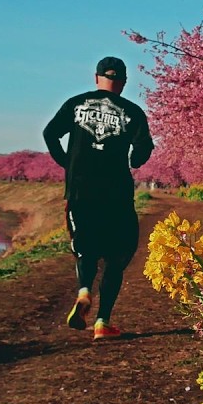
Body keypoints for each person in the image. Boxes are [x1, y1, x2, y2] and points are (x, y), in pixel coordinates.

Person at [43, 56, 154, 340]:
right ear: (124, 83)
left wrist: (67, 163)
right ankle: (103, 322)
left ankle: (83, 291)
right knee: (118, 255)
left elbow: (50, 133)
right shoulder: (132, 111)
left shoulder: (76, 103)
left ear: (96, 78)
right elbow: (144, 148)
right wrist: (135, 158)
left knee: (86, 247)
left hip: (81, 190)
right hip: (116, 192)